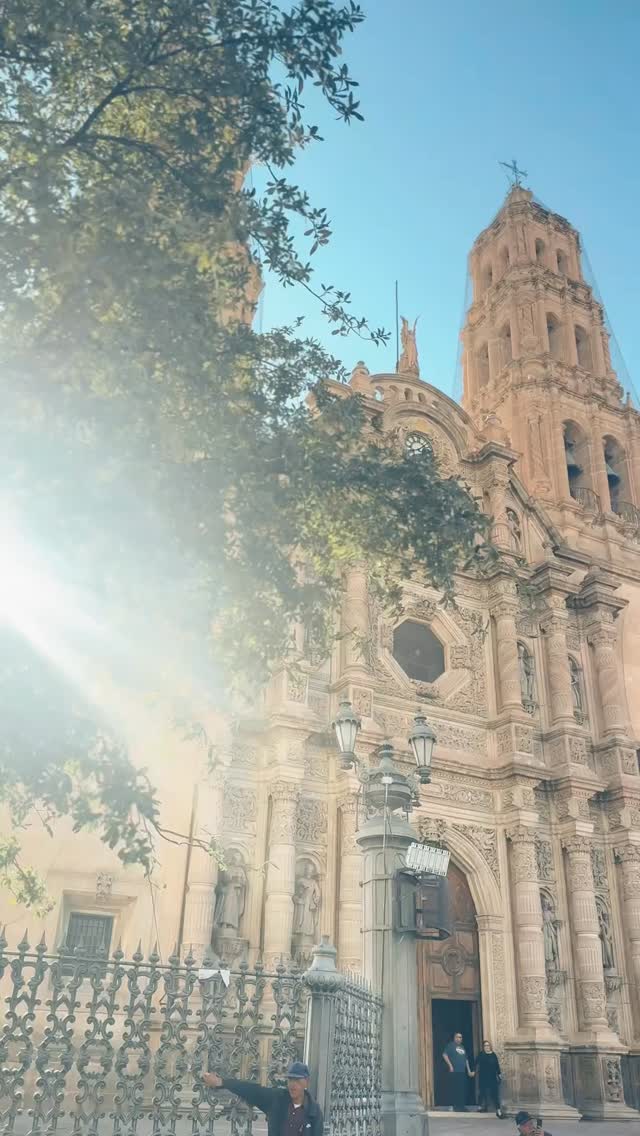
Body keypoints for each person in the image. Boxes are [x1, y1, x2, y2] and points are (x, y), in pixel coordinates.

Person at [203, 1060, 323, 1136]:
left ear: (306, 1082)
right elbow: (251, 1090)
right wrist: (221, 1082)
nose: (293, 1084)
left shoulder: (314, 1112)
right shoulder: (277, 1099)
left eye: (297, 1080)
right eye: (290, 1079)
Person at [442, 1031, 474, 1112]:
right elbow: (444, 1055)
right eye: (458, 1037)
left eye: (461, 1037)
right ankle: (453, 1106)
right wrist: (450, 1066)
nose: (459, 1039)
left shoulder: (462, 1047)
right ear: (454, 1038)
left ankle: (461, 1106)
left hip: (462, 1071)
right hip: (454, 1071)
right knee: (454, 1089)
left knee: (462, 1089)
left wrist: (469, 1070)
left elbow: (466, 1060)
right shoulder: (451, 1045)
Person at [475, 1039, 503, 1117]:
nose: (486, 1047)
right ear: (483, 1047)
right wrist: (473, 1071)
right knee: (482, 1092)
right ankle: (480, 1107)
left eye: (488, 1045)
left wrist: (499, 1074)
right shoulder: (481, 1054)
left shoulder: (493, 1055)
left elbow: (497, 1065)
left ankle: (498, 1110)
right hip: (483, 1077)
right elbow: (476, 1063)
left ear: (490, 1046)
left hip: (492, 1077)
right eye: (485, 1046)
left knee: (494, 1094)